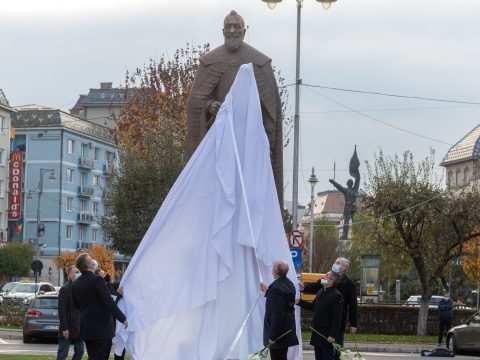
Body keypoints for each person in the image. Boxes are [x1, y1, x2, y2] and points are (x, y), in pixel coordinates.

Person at [186, 10, 284, 206]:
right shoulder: (210, 61)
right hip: (221, 140)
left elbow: (271, 108)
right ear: (222, 31)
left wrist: (268, 137)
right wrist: (210, 105)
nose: (232, 30)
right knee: (220, 193)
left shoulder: (259, 61)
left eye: (236, 26)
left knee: (249, 194)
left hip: (250, 140)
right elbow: (195, 103)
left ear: (244, 31)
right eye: (228, 27)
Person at [72, 254, 128, 360]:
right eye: (90, 259)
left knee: (93, 356)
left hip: (86, 328)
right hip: (101, 329)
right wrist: (123, 318)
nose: (93, 260)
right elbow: (108, 302)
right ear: (88, 264)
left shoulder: (76, 283)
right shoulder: (97, 280)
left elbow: (76, 305)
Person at [301, 257, 358, 357]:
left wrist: (353, 324)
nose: (334, 264)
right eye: (334, 262)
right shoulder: (327, 279)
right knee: (321, 353)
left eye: (338, 263)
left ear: (344, 268)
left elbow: (353, 306)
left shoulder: (350, 285)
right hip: (322, 323)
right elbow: (315, 286)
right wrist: (304, 287)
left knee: (335, 352)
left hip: (337, 324)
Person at [297, 271, 343, 360]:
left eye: (326, 276)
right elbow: (313, 307)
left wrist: (333, 335)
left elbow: (337, 318)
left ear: (331, 282)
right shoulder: (321, 291)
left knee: (328, 357)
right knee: (318, 357)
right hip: (317, 331)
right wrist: (299, 302)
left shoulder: (336, 295)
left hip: (327, 334)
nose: (323, 277)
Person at [260, 260, 299, 360]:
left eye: (273, 267)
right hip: (286, 330)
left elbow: (278, 314)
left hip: (279, 334)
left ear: (275, 271)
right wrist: (267, 292)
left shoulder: (276, 288)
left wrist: (273, 336)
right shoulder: (289, 283)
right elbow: (283, 302)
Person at [57, 265, 84, 360]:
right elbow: (61, 310)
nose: (78, 274)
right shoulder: (65, 289)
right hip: (68, 326)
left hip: (79, 327)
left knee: (80, 351)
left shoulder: (81, 288)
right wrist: (65, 328)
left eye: (79, 272)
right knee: (62, 353)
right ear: (69, 275)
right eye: (76, 272)